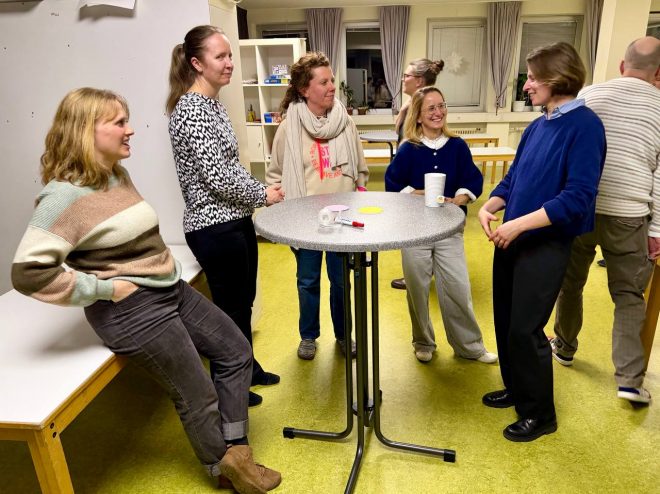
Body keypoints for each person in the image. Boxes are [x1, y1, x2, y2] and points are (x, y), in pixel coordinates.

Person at [11, 88, 282, 493]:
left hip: (169, 288)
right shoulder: (62, 196)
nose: (131, 129)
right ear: (87, 130)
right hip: (130, 308)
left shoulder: (116, 175)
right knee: (196, 393)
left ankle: (236, 450)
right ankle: (221, 469)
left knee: (236, 351)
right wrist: (103, 289)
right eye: (119, 122)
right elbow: (28, 272)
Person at [478, 42, 606, 442]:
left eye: (533, 78)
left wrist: (518, 225)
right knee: (505, 319)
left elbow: (577, 197)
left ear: (557, 78)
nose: (527, 85)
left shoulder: (586, 127)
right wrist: (491, 205)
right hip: (512, 238)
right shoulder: (538, 125)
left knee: (526, 328)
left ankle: (540, 414)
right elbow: (514, 177)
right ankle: (517, 389)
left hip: (545, 244)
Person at [167, 25, 285, 407]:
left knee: (243, 302)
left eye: (230, 55)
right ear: (197, 63)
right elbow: (217, 178)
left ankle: (247, 368)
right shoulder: (190, 110)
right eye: (220, 56)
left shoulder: (213, 105)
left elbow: (231, 167)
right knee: (229, 310)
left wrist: (258, 190)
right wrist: (262, 194)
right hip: (213, 226)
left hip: (234, 220)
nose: (230, 63)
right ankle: (230, 386)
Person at [551, 36, 660, 405]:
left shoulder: (590, 95)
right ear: (658, 73)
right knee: (629, 297)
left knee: (571, 283)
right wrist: (657, 230)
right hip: (630, 214)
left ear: (622, 66)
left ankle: (565, 346)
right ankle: (629, 380)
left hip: (581, 206)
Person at [266, 52, 369, 361]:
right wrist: (283, 213)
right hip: (305, 222)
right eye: (323, 82)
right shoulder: (289, 128)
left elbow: (360, 170)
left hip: (342, 220)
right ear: (304, 89)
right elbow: (275, 175)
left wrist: (360, 199)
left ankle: (343, 334)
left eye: (332, 81)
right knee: (307, 282)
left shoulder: (345, 122)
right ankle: (308, 336)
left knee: (340, 282)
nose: (332, 87)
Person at [385, 86, 498, 365]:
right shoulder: (409, 149)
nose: (438, 112)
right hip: (415, 232)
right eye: (431, 108)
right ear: (418, 116)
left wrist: (460, 197)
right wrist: (417, 193)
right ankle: (423, 342)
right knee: (417, 290)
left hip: (449, 230)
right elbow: (392, 183)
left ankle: (469, 346)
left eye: (442, 106)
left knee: (458, 288)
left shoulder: (457, 146)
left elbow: (473, 180)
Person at [391, 58, 444, 290]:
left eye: (407, 75)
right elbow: (399, 131)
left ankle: (420, 274)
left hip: (421, 182)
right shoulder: (412, 105)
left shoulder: (422, 110)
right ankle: (418, 272)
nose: (403, 79)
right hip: (411, 182)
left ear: (419, 80)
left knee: (420, 229)